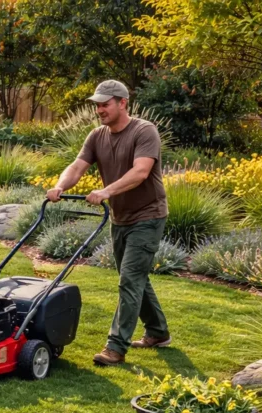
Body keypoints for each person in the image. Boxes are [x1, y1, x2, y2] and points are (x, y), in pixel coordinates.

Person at [46, 79, 171, 367]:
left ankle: (115, 347)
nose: (99, 110)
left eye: (105, 104)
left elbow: (141, 172)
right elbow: (78, 166)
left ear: (122, 103)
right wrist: (60, 186)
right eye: (97, 105)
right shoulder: (96, 135)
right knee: (135, 278)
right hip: (121, 216)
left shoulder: (144, 131)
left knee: (130, 278)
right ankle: (158, 332)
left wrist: (106, 191)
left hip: (148, 215)